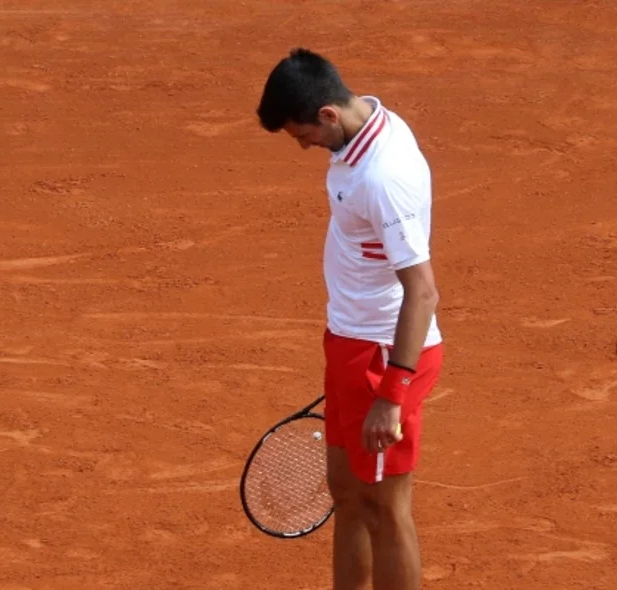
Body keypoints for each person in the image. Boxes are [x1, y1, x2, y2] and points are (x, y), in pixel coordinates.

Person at [256, 48, 445, 590]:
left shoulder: (383, 178)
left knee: (385, 508)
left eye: (304, 135)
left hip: (383, 353)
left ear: (328, 114)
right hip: (347, 340)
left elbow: (423, 291)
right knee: (346, 492)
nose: (304, 146)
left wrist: (391, 394)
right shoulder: (364, 127)